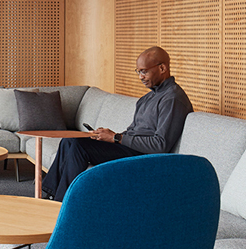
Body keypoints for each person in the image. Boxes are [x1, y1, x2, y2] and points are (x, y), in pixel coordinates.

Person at [41, 46, 193, 201]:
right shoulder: (148, 98)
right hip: (130, 148)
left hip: (144, 157)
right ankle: (48, 194)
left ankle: (60, 203)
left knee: (79, 147)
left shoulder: (172, 99)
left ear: (162, 68)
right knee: (70, 140)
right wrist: (107, 136)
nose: (141, 77)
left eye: (144, 71)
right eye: (138, 71)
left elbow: (160, 145)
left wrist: (116, 138)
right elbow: (134, 131)